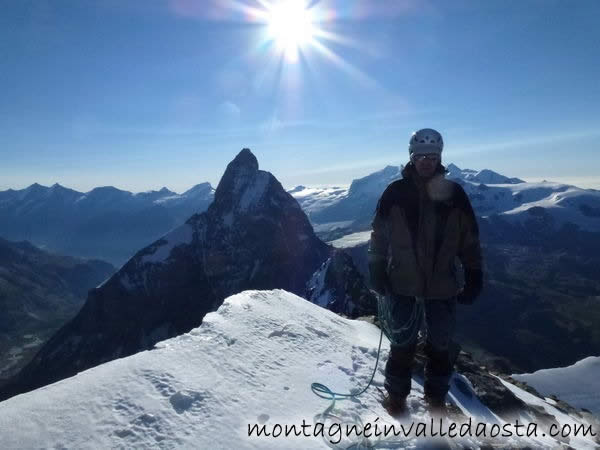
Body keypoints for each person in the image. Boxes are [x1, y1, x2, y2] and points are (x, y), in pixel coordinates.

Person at [368, 128, 483, 417]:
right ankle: (397, 397)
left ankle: (435, 400)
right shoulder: (395, 192)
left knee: (440, 345)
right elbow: (379, 235)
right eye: (421, 156)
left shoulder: (455, 194)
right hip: (402, 282)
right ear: (412, 157)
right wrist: (377, 268)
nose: (426, 162)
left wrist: (474, 273)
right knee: (402, 343)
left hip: (441, 284)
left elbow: (468, 238)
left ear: (440, 158)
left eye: (432, 156)